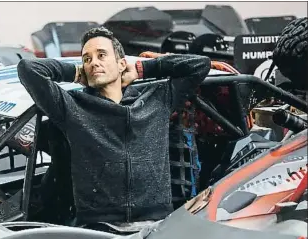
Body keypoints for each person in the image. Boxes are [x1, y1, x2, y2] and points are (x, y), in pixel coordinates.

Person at [17, 26, 211, 226]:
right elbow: (28, 69)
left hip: (154, 223)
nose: (94, 63)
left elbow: (199, 65)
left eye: (102, 55)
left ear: (121, 64)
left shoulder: (157, 99)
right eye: (87, 59)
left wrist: (140, 70)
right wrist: (75, 72)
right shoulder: (71, 106)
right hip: (99, 227)